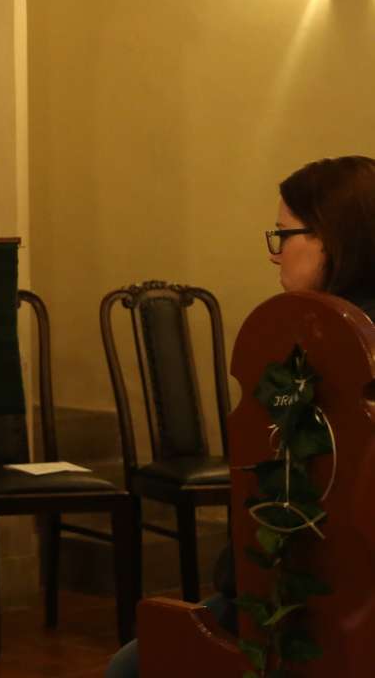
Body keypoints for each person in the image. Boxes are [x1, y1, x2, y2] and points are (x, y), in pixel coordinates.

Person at [104, 154, 375, 677]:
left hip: (313, 606)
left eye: (283, 234)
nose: (275, 255)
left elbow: (279, 523)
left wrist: (229, 586)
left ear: (331, 238)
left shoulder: (323, 345)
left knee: (128, 668)